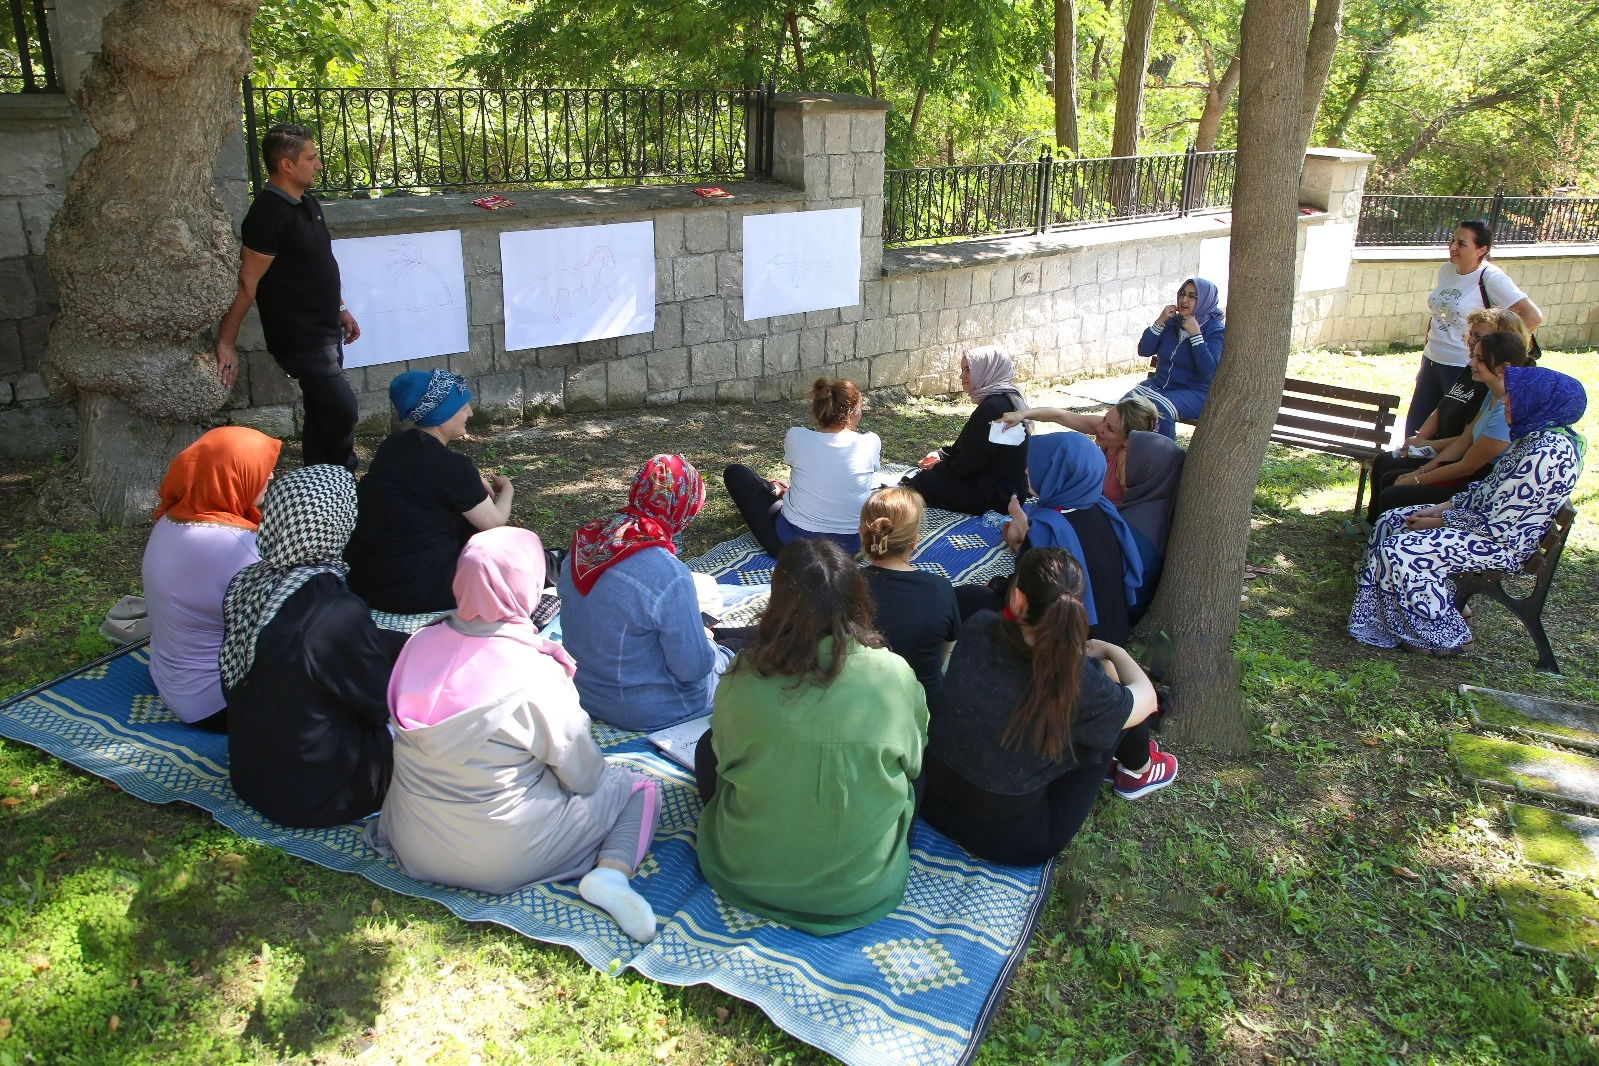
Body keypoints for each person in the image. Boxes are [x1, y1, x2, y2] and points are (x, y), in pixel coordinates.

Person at [369, 527, 659, 941]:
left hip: (411, 839)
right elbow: (586, 777)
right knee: (638, 789)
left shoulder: (417, 644)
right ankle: (611, 875)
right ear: (528, 585)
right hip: (501, 853)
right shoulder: (533, 671)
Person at [695, 538, 927, 935]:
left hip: (746, 872)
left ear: (777, 602)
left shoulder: (743, 675)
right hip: (864, 888)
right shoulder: (895, 674)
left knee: (706, 748)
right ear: (858, 599)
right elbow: (914, 762)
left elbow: (725, 752)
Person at [923, 549, 1174, 866]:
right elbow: (1147, 700)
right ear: (1077, 607)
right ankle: (1139, 770)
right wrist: (1113, 652)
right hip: (1015, 839)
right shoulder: (1082, 681)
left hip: (932, 800)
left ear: (1016, 599)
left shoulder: (978, 626)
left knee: (1103, 705)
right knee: (1117, 702)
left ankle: (1135, 764)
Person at [1349, 365, 1586, 657]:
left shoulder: (1546, 455)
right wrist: (1441, 508)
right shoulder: (1532, 439)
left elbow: (1498, 525)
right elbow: (1486, 490)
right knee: (1390, 521)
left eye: (1515, 398)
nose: (1507, 402)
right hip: (1487, 527)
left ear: (1540, 403)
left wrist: (1438, 521)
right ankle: (1392, 619)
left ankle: (1448, 636)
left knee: (1401, 549)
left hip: (1504, 545)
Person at [222, 465, 410, 828]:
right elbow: (379, 704)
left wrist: (407, 642)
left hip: (252, 774)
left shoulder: (248, 585)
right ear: (337, 524)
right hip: (319, 792)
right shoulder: (333, 612)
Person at [215, 124, 362, 471]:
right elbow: (247, 283)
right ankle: (343, 481)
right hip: (299, 335)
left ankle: (318, 478)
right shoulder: (268, 215)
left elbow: (318, 264)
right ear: (286, 165)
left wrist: (341, 308)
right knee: (343, 407)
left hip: (326, 328)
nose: (319, 165)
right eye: (311, 158)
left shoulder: (307, 202)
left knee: (322, 410)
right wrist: (226, 342)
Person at [558, 455, 735, 732]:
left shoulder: (586, 542)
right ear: (684, 507)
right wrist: (707, 645)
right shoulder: (668, 574)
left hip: (585, 692)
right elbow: (693, 669)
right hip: (649, 709)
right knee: (731, 657)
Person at [142, 427, 281, 731]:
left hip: (168, 677)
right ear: (234, 475)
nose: (271, 478)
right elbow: (285, 627)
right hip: (217, 702)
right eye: (263, 470)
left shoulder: (170, 518)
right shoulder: (237, 545)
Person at [344, 370, 514, 614]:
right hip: (415, 592)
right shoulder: (451, 466)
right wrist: (507, 489)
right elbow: (494, 523)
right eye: (463, 406)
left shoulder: (394, 445)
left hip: (366, 583)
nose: (470, 413)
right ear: (442, 417)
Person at [960, 432, 1144, 647]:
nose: (1027, 470)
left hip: (1072, 640)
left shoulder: (1047, 529)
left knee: (966, 597)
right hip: (1113, 631)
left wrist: (996, 584)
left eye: (1037, 466)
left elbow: (1032, 591)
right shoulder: (1102, 507)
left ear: (1057, 474)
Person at [1350, 330, 1531, 533]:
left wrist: (1417, 479)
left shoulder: (1507, 409)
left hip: (1482, 485)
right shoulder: (1493, 394)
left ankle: (1391, 544)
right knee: (1392, 477)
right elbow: (1464, 441)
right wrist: (1421, 470)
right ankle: (1379, 538)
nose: (1471, 363)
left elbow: (1467, 468)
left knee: (1394, 493)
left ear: (1503, 367)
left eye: (1479, 359)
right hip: (1469, 473)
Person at [1402, 220, 1543, 438]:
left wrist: (1492, 351)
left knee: (1448, 430)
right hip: (1432, 360)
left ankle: (1432, 472)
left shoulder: (1491, 278)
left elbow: (1532, 317)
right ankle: (1404, 471)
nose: (1452, 247)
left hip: (1462, 366)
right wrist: (1429, 342)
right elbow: (1439, 311)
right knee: (1415, 427)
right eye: (1452, 240)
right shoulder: (1447, 269)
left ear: (1482, 250)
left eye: (1461, 243)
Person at [723, 377, 881, 558]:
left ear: (818, 410)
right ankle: (775, 489)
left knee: (736, 473)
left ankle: (775, 489)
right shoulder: (871, 442)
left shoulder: (796, 437)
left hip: (793, 546)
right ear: (853, 413)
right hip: (851, 548)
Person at [858, 488, 961, 703]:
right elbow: (940, 655)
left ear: (862, 534)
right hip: (922, 709)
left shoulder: (842, 586)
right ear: (914, 542)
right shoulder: (939, 589)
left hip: (859, 703)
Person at [901, 346, 1030, 516]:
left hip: (997, 497)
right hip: (1009, 490)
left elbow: (968, 463)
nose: (962, 376)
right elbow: (971, 448)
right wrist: (941, 454)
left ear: (987, 371)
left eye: (968, 370)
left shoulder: (992, 409)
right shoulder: (1003, 401)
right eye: (963, 370)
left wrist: (938, 467)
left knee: (924, 482)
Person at [997, 394, 1160, 504]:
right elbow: (1059, 416)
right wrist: (1022, 415)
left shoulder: (1127, 462)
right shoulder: (1107, 430)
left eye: (1110, 428)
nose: (1100, 428)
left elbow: (1128, 510)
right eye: (1104, 419)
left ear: (1128, 441)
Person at [1128, 278, 1226, 438]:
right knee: (1127, 404)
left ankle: (1165, 459)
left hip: (1194, 392)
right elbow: (1144, 350)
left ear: (1205, 301)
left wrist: (1196, 335)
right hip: (1161, 385)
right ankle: (1121, 457)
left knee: (1160, 410)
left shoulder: (1215, 331)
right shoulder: (1173, 322)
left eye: (1192, 296)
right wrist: (1160, 321)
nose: (1184, 300)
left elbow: (1208, 371)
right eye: (1182, 294)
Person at [1116, 431, 1186, 622]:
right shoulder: (1155, 510)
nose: (1120, 456)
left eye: (1129, 451)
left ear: (1147, 465)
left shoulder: (1133, 530)